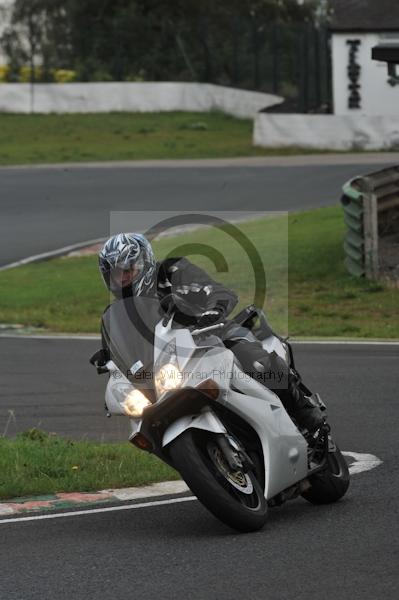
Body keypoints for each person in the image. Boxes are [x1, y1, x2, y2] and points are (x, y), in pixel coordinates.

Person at [97, 232, 324, 433]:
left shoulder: (171, 270)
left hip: (211, 333)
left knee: (257, 363)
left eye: (127, 271)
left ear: (143, 262)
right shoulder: (118, 314)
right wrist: (109, 364)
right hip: (171, 366)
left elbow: (215, 290)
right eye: (116, 274)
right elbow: (119, 353)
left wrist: (213, 309)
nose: (123, 279)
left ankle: (305, 412)